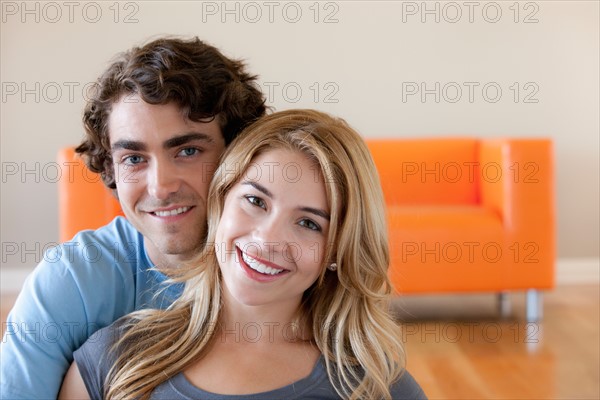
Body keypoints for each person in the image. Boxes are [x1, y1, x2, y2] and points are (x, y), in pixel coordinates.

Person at [59, 109, 427, 400]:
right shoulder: (116, 357)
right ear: (220, 199)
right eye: (255, 201)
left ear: (337, 250)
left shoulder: (378, 389)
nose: (267, 240)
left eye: (309, 224)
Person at [1, 36, 266, 399]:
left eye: (188, 151)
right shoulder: (71, 280)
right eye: (134, 159)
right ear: (111, 167)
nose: (160, 187)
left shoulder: (285, 267)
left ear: (239, 152)